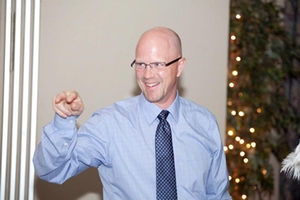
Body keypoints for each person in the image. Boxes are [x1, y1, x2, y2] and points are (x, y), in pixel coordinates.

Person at [33, 27, 232, 199]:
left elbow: (218, 195)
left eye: (158, 64)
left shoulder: (205, 123)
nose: (147, 74)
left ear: (179, 66)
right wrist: (64, 122)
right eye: (141, 64)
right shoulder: (109, 124)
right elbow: (51, 170)